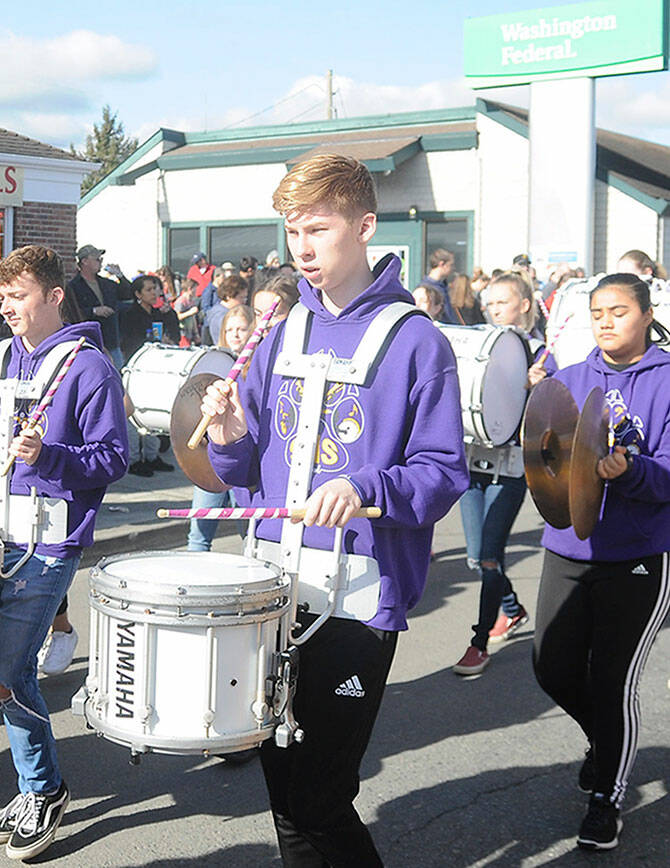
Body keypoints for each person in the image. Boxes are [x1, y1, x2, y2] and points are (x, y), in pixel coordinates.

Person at [199, 154, 467, 866]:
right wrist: (227, 432)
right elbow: (242, 469)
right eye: (293, 232)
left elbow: (443, 473)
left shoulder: (418, 342)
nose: (303, 248)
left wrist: (369, 488)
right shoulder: (280, 334)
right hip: (268, 585)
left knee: (320, 795)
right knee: (283, 793)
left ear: (366, 225)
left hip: (356, 598)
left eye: (318, 228)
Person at [0, 244, 127, 860]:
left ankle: (45, 790)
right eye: (2, 296)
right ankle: (34, 787)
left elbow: (112, 458)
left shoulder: (88, 367)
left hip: (50, 540)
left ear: (55, 296)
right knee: (0, 676)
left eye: (20, 295)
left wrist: (51, 456)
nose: (7, 306)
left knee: (8, 673)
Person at [530, 272, 670, 851]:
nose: (606, 321)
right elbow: (546, 456)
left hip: (637, 554)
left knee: (613, 682)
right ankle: (607, 741)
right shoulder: (572, 378)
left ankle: (606, 798)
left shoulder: (666, 381)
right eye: (597, 312)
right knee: (551, 667)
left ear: (645, 314)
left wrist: (630, 470)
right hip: (568, 547)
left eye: (618, 310)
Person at [451, 271, 554, 676]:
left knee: (489, 558)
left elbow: (555, 417)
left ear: (524, 305)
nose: (493, 310)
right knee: (476, 559)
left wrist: (538, 389)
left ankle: (479, 643)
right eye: (489, 303)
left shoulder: (543, 353)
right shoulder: (480, 344)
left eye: (502, 303)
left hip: (510, 469)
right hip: (472, 461)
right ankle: (512, 610)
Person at [186, 304, 258, 554]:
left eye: (241, 329)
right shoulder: (215, 364)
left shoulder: (260, 369)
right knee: (199, 534)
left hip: (243, 460)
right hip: (211, 461)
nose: (235, 335)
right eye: (229, 330)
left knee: (249, 535)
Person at [119, 273, 178, 478]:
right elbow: (128, 342)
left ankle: (152, 456)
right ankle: (135, 458)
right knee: (136, 413)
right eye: (149, 290)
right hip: (137, 368)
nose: (154, 293)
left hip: (155, 367)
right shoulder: (130, 315)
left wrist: (168, 318)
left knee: (154, 410)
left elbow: (171, 331)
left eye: (155, 289)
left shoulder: (157, 314)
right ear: (138, 294)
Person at [68, 245, 129, 368]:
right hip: (90, 341)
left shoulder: (107, 284)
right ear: (84, 261)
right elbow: (72, 313)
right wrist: (93, 311)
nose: (101, 262)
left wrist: (120, 276)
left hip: (111, 340)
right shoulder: (73, 287)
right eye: (97, 259)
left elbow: (127, 294)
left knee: (117, 377)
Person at [205, 273, 250, 346]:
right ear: (229, 296)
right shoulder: (221, 316)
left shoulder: (218, 311)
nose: (244, 301)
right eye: (241, 297)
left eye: (245, 297)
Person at [418, 248, 456, 323]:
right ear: (441, 264)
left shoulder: (443, 286)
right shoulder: (425, 288)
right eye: (450, 265)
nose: (452, 268)